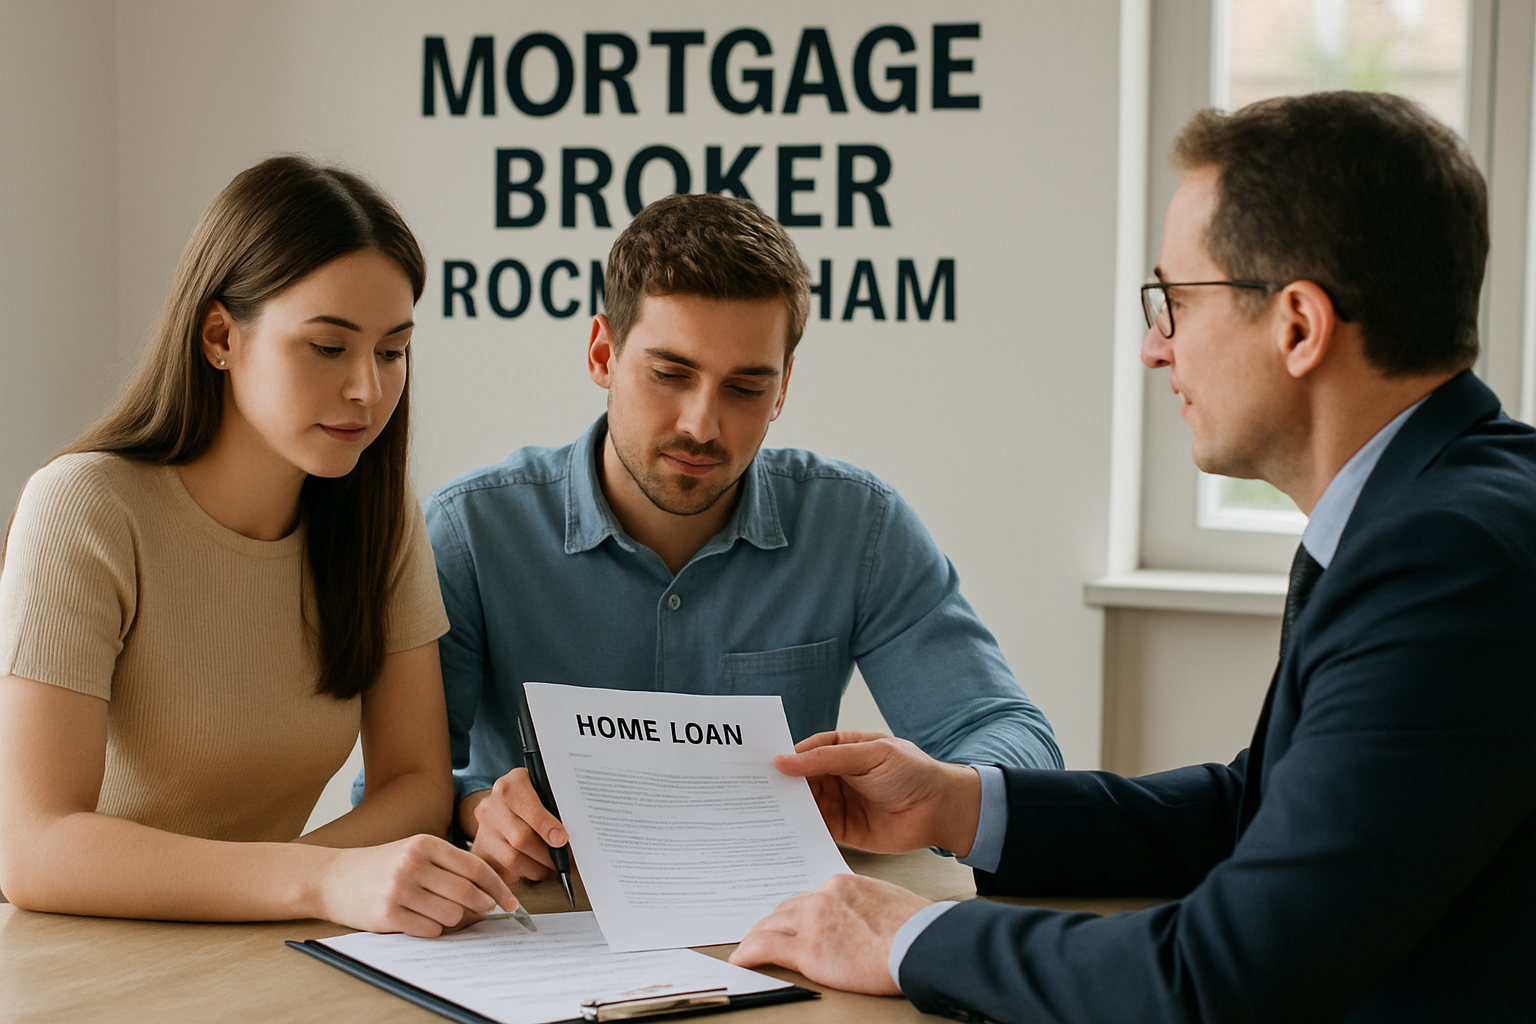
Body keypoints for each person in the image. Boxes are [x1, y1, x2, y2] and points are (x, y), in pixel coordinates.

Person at [730, 92, 1536, 1022]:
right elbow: (1255, 810)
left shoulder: (1448, 562)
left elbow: (1221, 973)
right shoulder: (1436, 508)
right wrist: (958, 806)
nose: (1156, 348)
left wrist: (906, 936)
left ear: (1300, 325)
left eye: (1174, 301)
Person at [415, 192, 1062, 885]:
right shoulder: (470, 534)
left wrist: (940, 792)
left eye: (745, 389)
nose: (702, 424)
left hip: (783, 937)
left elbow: (1017, 744)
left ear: (783, 387)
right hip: (549, 935)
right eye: (671, 374)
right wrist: (476, 806)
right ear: (603, 353)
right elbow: (398, 790)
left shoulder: (859, 528)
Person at [0, 156, 516, 936]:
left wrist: (328, 888)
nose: (368, 391)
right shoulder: (86, 507)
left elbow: (414, 781)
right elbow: (33, 849)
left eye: (391, 350)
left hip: (259, 948)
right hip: (86, 963)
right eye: (328, 347)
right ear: (219, 337)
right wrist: (321, 879)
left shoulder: (380, 519)